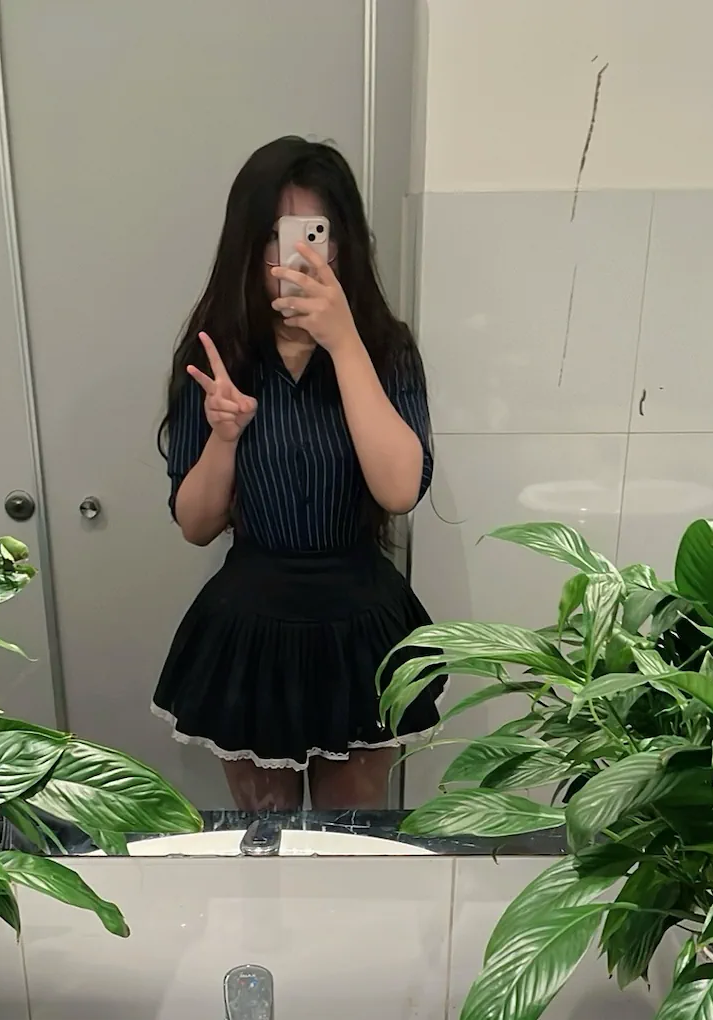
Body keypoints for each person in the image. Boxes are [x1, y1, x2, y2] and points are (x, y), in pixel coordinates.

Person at [153, 136, 443, 812]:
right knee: (266, 835)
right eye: (276, 236)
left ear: (343, 245)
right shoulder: (218, 354)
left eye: (315, 233)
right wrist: (224, 437)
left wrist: (343, 342)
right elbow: (195, 524)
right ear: (247, 244)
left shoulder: (384, 351)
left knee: (353, 835)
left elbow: (399, 490)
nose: (295, 256)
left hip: (360, 622)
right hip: (251, 624)